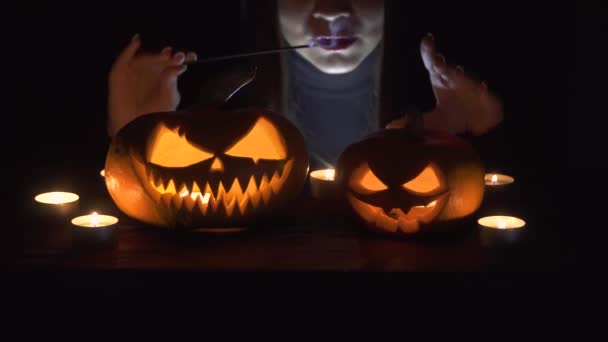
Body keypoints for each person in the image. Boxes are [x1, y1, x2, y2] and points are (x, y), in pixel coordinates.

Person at [107, 0, 502, 170]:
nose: (333, 12)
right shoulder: (217, 113)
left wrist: (470, 133)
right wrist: (133, 136)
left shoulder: (434, 99)